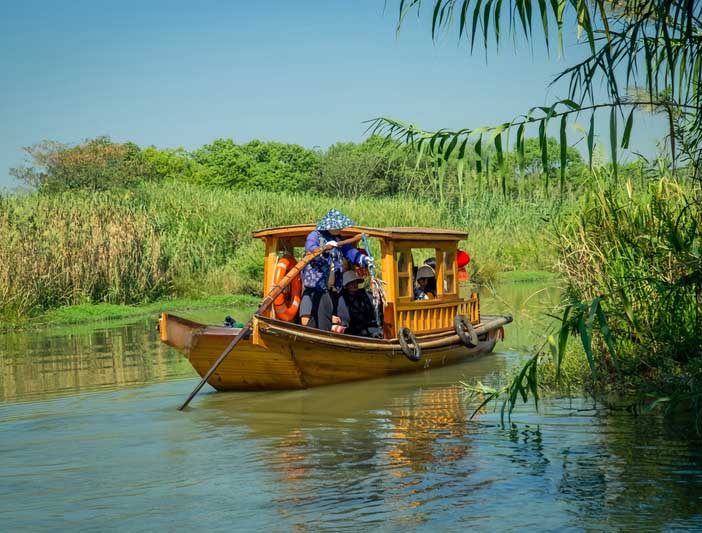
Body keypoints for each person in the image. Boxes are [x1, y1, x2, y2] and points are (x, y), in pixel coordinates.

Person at [299, 208, 372, 331]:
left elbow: (350, 252)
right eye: (338, 226)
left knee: (328, 314)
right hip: (315, 286)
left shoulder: (339, 239)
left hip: (331, 287)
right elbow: (311, 251)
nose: (340, 229)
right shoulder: (315, 236)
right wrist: (325, 249)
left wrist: (363, 259)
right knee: (312, 318)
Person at [336, 270, 382, 338]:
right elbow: (345, 321)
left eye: (355, 282)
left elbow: (376, 304)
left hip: (370, 327)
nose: (354, 284)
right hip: (354, 331)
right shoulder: (343, 299)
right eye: (351, 283)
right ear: (346, 285)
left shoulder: (365, 295)